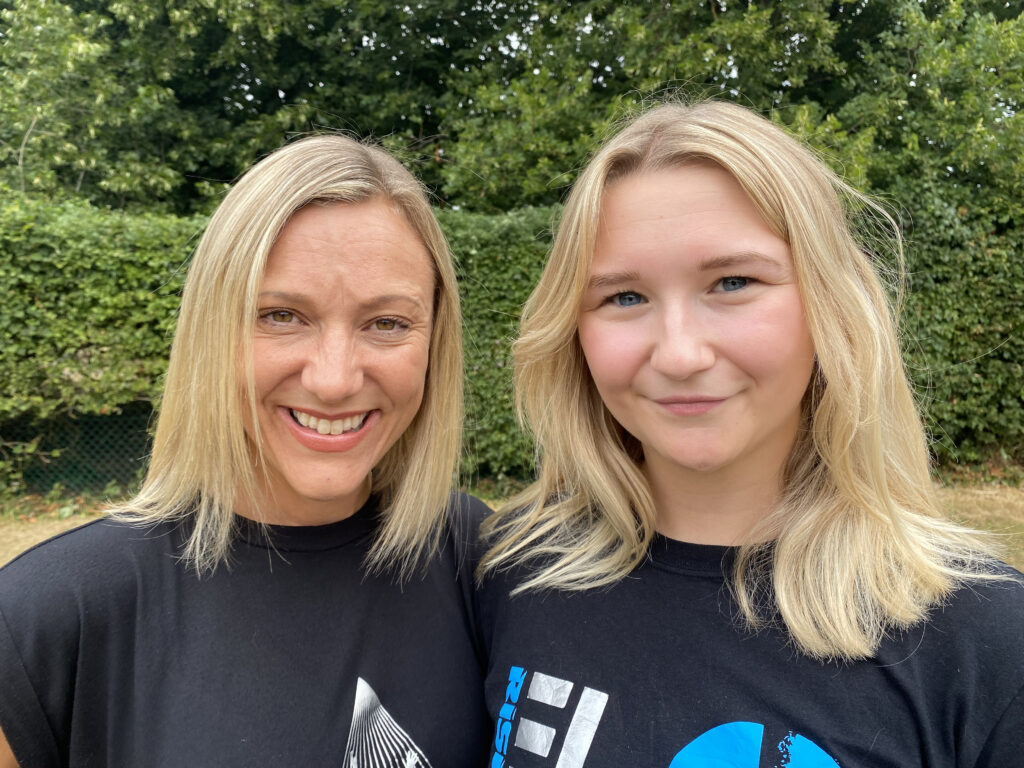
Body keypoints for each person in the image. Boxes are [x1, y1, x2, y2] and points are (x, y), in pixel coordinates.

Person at [475, 101, 1024, 767]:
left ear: (829, 304)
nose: (679, 354)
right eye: (624, 297)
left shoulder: (982, 636)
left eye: (732, 282)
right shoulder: (509, 574)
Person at [0, 134, 491, 767]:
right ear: (213, 329)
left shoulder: (478, 561)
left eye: (387, 323)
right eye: (282, 315)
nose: (334, 379)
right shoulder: (48, 615)